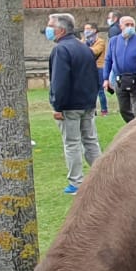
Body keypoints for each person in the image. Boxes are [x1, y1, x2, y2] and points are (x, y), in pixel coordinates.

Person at [47, 13, 102, 194]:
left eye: (51, 26)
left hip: (70, 105)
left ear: (61, 30)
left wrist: (57, 106)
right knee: (91, 141)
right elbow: (94, 76)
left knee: (72, 143)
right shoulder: (84, 47)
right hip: (87, 103)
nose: (48, 30)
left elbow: (59, 81)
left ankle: (76, 183)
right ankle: (101, 177)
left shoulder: (61, 50)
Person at [103, 14, 136, 122]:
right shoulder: (113, 41)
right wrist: (105, 79)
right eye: (127, 24)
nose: (130, 27)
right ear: (121, 26)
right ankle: (132, 127)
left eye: (132, 25)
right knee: (124, 109)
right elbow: (108, 60)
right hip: (120, 79)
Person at [83, 22, 110, 117]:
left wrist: (83, 48)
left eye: (88, 29)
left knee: (100, 91)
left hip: (98, 68)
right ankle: (92, 110)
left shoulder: (100, 42)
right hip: (87, 68)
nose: (86, 31)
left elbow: (95, 51)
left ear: (94, 30)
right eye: (85, 29)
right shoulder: (83, 41)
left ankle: (104, 110)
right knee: (90, 90)